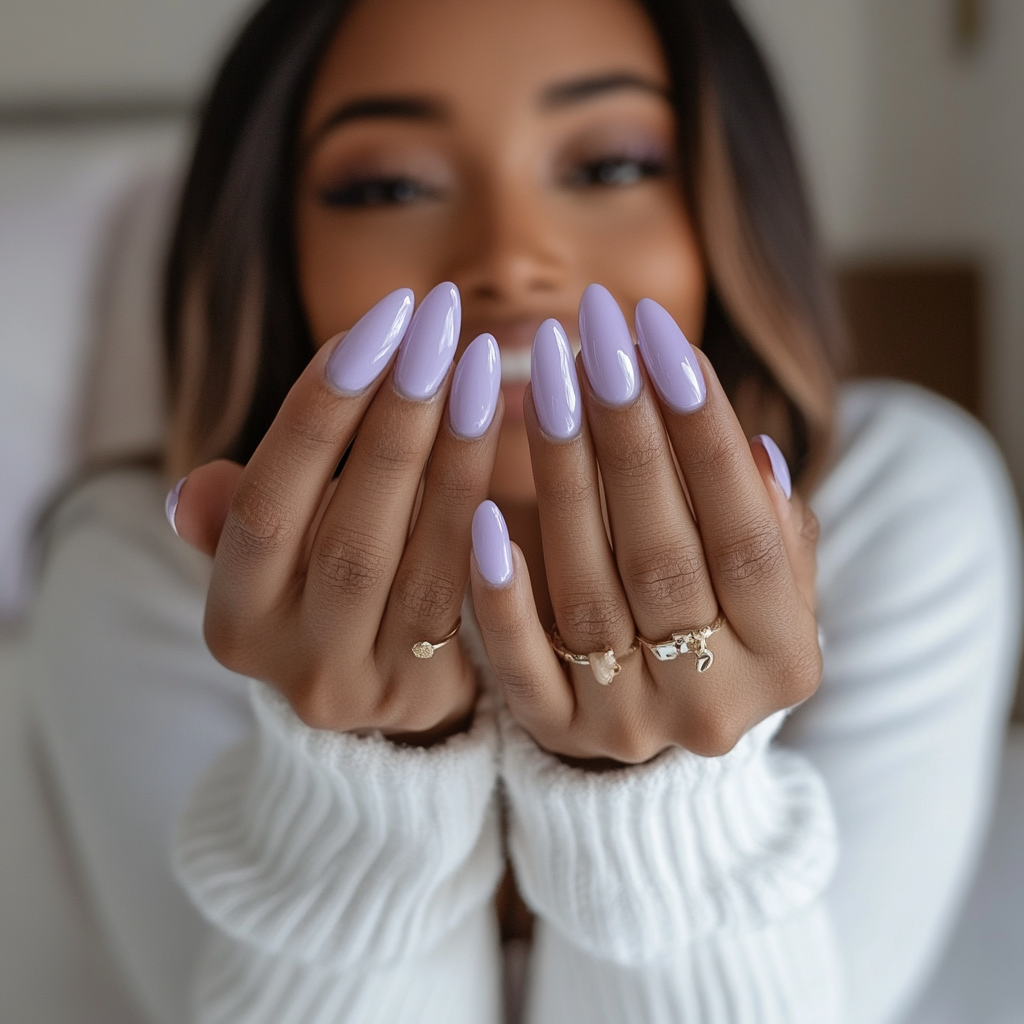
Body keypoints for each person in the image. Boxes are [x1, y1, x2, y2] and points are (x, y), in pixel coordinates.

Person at [21, 0, 1022, 1021]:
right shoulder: (143, 567)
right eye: (388, 184)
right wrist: (362, 784)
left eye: (608, 166)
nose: (507, 258)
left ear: (730, 204)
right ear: (275, 246)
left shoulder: (893, 501)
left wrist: (656, 793)